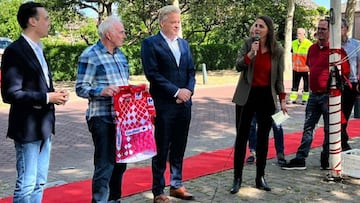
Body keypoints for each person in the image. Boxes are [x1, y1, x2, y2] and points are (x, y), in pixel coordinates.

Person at [0, 2, 69, 202]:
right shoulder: (15, 50)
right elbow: (10, 93)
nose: (49, 22)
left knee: (39, 182)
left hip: (45, 125)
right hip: (27, 127)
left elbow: (39, 85)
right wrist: (48, 97)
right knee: (27, 183)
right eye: (46, 18)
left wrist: (55, 94)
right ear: (32, 21)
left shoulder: (39, 48)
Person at [141, 5, 196, 203]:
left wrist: (188, 91)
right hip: (164, 105)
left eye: (178, 22)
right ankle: (158, 191)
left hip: (184, 104)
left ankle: (177, 184)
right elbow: (152, 74)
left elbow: (191, 71)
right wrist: (176, 91)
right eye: (173, 22)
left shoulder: (184, 44)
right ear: (162, 23)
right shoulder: (150, 43)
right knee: (161, 147)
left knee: (180, 146)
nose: (176, 25)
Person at [231, 15, 287, 194]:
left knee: (263, 139)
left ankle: (260, 177)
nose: (256, 28)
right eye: (255, 25)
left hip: (266, 97)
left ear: (268, 30)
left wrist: (283, 100)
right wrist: (251, 54)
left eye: (261, 26)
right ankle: (237, 178)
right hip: (247, 96)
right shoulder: (248, 44)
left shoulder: (277, 50)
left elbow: (279, 78)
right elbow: (238, 66)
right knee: (241, 137)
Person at [75, 16, 129, 203]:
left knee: (121, 164)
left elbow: (123, 85)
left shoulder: (121, 55)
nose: (124, 35)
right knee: (105, 165)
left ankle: (114, 199)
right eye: (121, 31)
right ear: (109, 34)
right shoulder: (90, 55)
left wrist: (133, 90)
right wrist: (102, 91)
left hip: (122, 119)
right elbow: (80, 88)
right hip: (102, 118)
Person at [281, 19, 331, 171]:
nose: (320, 31)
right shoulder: (312, 49)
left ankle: (327, 157)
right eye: (319, 28)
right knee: (308, 127)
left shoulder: (335, 50)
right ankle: (301, 158)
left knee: (330, 129)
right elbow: (310, 66)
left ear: (330, 31)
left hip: (329, 96)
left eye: (324, 29)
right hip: (313, 95)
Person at [340, 17, 359, 151]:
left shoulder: (356, 45)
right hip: (333, 85)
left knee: (345, 115)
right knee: (334, 116)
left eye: (340, 28)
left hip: (351, 84)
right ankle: (341, 141)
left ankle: (342, 140)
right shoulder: (331, 44)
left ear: (346, 29)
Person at [289, 28, 313, 105]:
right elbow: (292, 53)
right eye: (297, 33)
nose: (297, 35)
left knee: (306, 85)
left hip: (306, 69)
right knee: (294, 85)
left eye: (299, 33)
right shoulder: (294, 43)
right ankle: (292, 99)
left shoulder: (309, 44)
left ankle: (305, 100)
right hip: (296, 68)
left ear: (304, 35)